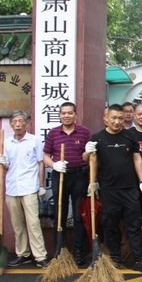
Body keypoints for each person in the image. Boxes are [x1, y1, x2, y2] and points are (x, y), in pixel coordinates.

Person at [83, 104, 142, 275]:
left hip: (130, 189)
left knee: (134, 225)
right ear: (106, 118)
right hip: (109, 190)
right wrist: (92, 180)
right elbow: (90, 159)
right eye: (113, 118)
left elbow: (137, 159)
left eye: (120, 118)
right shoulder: (97, 137)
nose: (116, 121)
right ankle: (115, 259)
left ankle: (139, 260)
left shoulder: (129, 136)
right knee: (110, 225)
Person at [0, 110, 49, 268]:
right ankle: (23, 254)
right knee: (17, 224)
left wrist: (41, 185)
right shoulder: (6, 143)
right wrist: (2, 162)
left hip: (29, 187)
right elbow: (7, 166)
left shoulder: (35, 140)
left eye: (21, 121)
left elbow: (41, 163)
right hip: (12, 188)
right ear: (11, 124)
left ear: (26, 123)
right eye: (15, 122)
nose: (18, 124)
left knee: (33, 223)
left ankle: (40, 256)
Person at [42, 101, 90, 266]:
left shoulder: (84, 132)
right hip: (60, 175)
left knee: (78, 215)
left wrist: (88, 153)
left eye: (70, 113)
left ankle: (78, 252)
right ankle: (59, 251)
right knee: (60, 213)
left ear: (75, 114)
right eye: (63, 113)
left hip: (79, 176)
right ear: (59, 115)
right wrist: (54, 165)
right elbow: (46, 156)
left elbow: (87, 156)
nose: (66, 116)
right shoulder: (53, 133)